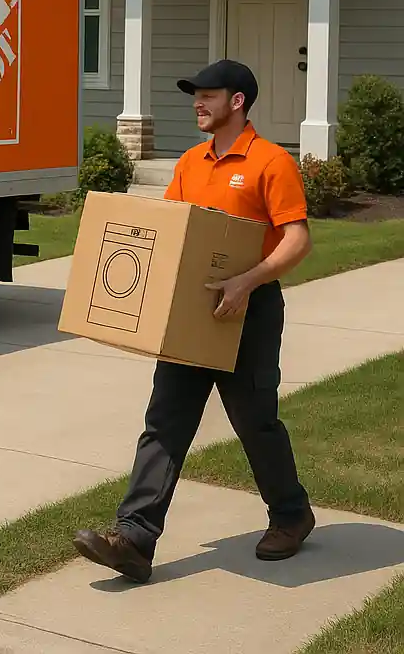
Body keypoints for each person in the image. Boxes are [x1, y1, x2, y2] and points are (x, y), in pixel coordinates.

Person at [72, 58, 315, 584]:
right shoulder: (188, 163)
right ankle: (134, 539)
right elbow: (174, 234)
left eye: (208, 94)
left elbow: (297, 240)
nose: (197, 103)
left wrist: (245, 281)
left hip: (250, 310)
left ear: (238, 101)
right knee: (165, 420)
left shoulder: (271, 162)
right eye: (195, 95)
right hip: (192, 316)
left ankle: (292, 514)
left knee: (255, 420)